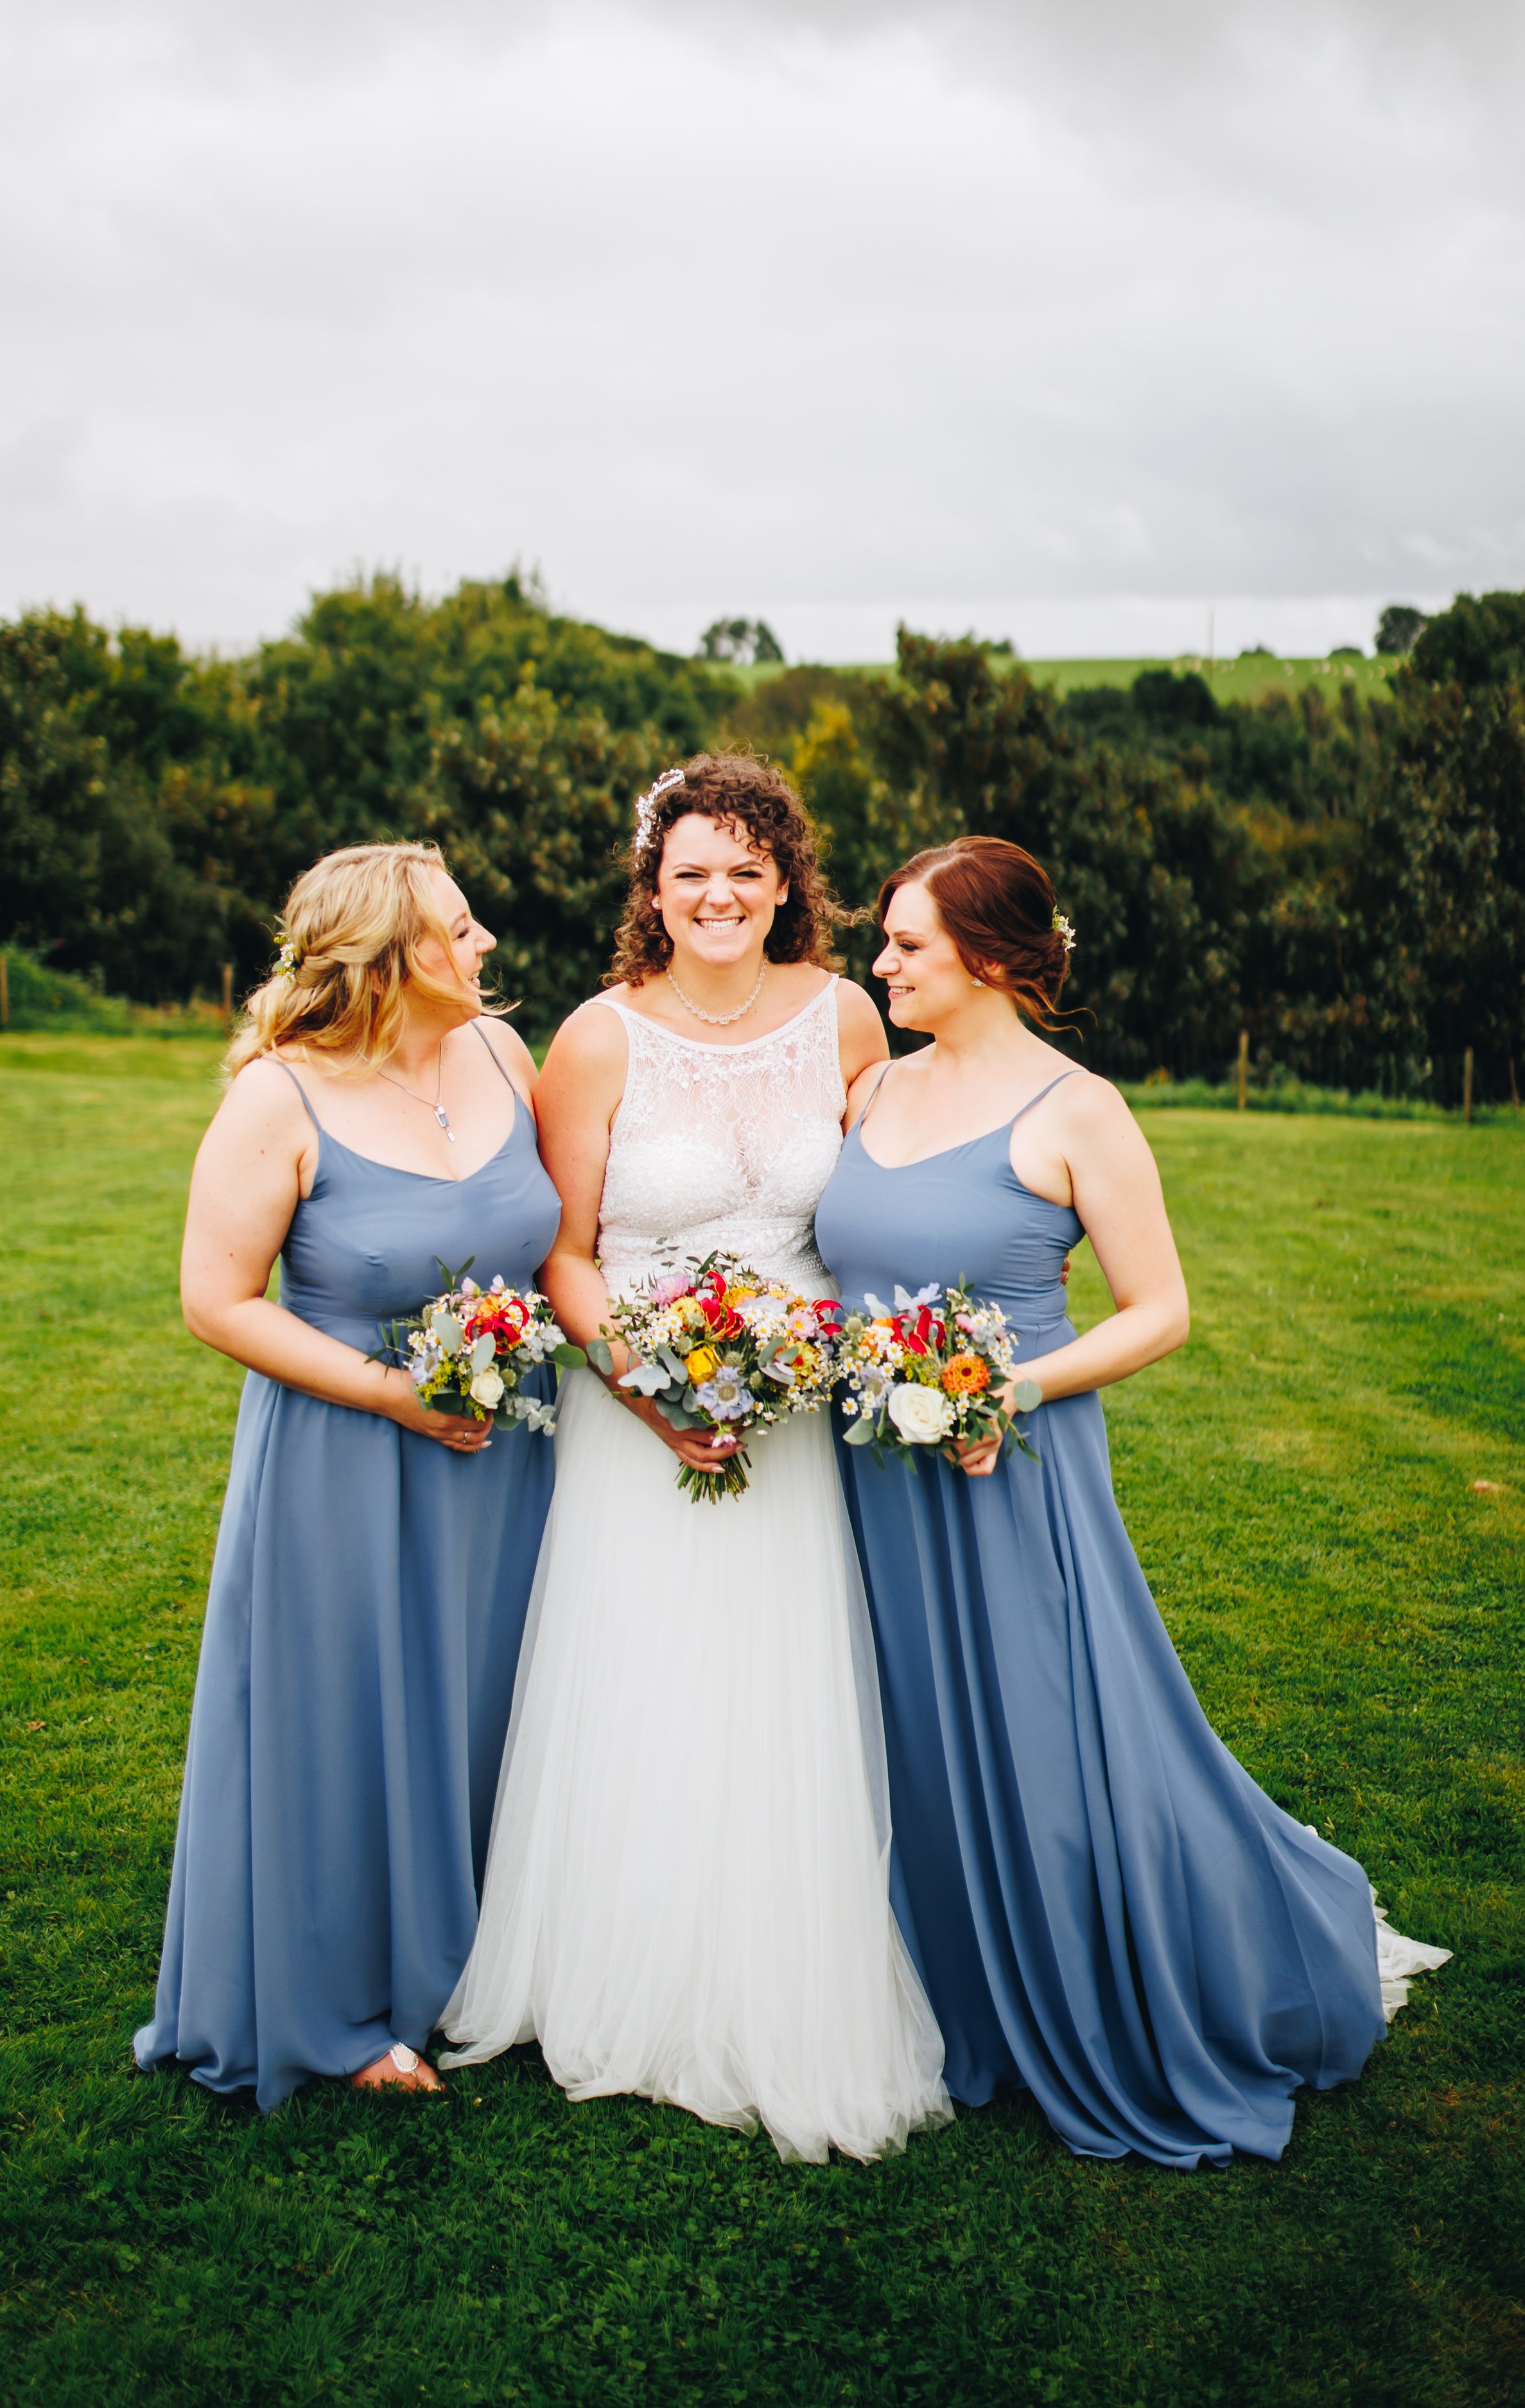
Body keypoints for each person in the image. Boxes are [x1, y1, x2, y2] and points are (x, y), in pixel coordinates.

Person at [814, 833, 1449, 2168]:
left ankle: (1114, 1977)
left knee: (1045, 1740)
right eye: (883, 939)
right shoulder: (870, 1084)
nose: (879, 963)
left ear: (987, 957)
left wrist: (1002, 1394)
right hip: (870, 1472)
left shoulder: (1074, 1111)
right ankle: (946, 1988)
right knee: (910, 1731)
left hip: (1006, 1474)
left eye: (906, 944)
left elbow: (1157, 1313)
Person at [438, 756, 952, 2162]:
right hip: (636, 1412)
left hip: (789, 1413)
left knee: (781, 1680)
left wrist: (842, 1356)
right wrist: (647, 1382)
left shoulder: (847, 1015)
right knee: (641, 1677)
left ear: (784, 880)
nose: (717, 895)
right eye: (689, 874)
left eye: (743, 869)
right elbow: (562, 1245)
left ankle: (787, 1964)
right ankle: (619, 1966)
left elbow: (891, 1193)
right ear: (650, 894)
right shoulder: (600, 1037)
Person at [134, 842, 561, 2111]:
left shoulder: (499, 1053)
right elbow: (214, 1299)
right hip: (346, 1457)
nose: (483, 945)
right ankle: (333, 2010)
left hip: (506, 1454)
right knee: (345, 1717)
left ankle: (483, 1963)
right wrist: (390, 1394)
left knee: (486, 1694)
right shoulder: (281, 1097)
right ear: (388, 961)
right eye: (459, 930)